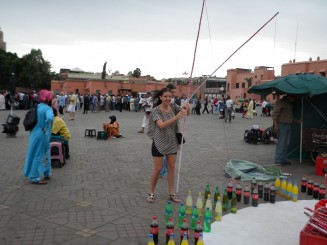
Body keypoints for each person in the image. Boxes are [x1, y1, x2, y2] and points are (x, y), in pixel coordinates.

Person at [146, 87, 190, 203]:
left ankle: (171, 193)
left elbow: (184, 114)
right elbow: (161, 125)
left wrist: (187, 109)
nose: (168, 98)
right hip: (159, 142)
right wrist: (176, 117)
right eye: (165, 96)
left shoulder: (174, 106)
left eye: (170, 96)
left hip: (171, 142)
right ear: (160, 97)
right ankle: (151, 193)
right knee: (157, 169)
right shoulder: (156, 110)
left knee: (171, 168)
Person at [24, 89, 54, 185]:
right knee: (40, 154)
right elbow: (49, 118)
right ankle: (34, 177)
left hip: (34, 133)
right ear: (48, 99)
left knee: (38, 153)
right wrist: (46, 126)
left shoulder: (37, 107)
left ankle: (46, 172)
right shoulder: (48, 109)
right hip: (42, 134)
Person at [272, 95, 298, 166]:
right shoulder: (280, 102)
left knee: (286, 143)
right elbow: (274, 115)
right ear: (289, 96)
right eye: (293, 97)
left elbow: (289, 115)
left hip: (288, 125)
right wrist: (276, 126)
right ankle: (278, 160)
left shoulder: (289, 103)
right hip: (282, 125)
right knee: (281, 143)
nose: (294, 98)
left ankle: (283, 159)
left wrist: (297, 121)